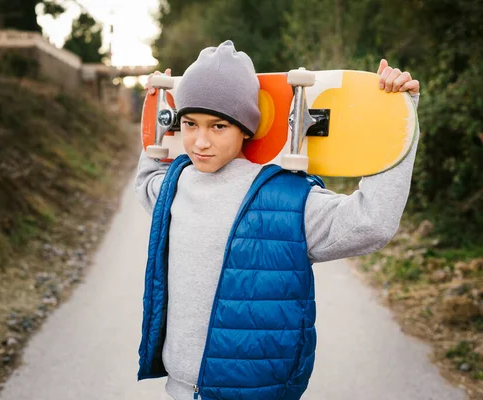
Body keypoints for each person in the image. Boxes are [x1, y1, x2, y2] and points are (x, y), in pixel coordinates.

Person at [135, 40, 420, 400]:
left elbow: (372, 222)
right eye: (190, 123)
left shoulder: (286, 200)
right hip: (177, 389)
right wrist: (153, 111)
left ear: (246, 128)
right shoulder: (176, 185)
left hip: (255, 392)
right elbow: (146, 181)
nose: (200, 141)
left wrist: (397, 118)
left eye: (218, 126)